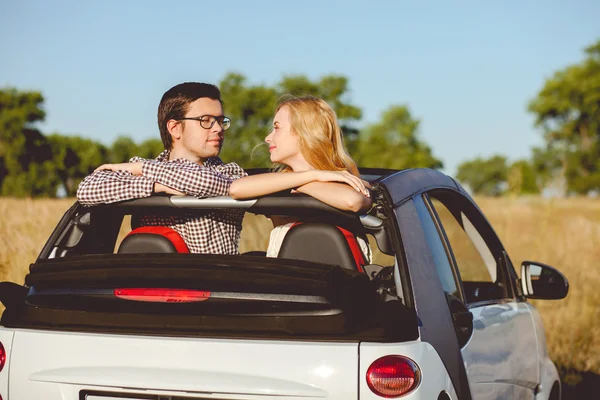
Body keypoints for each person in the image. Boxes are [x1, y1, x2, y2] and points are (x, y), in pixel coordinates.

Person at [77, 82, 247, 255]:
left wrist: (142, 168)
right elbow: (87, 189)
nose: (218, 128)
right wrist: (157, 187)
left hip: (214, 279)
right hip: (150, 278)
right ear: (174, 128)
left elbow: (205, 182)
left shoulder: (230, 173)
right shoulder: (147, 174)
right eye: (206, 121)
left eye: (220, 121)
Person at [229, 95, 372, 260]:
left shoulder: (346, 179)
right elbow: (237, 188)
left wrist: (298, 182)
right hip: (287, 278)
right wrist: (313, 175)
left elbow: (353, 201)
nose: (268, 138)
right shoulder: (282, 180)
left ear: (303, 131)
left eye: (277, 127)